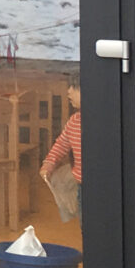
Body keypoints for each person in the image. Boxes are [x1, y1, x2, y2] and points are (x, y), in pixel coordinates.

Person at [40, 85, 82, 222]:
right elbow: (62, 144)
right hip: (81, 184)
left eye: (75, 87)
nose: (69, 91)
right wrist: (49, 163)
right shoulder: (74, 121)